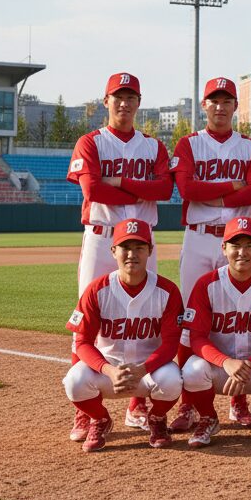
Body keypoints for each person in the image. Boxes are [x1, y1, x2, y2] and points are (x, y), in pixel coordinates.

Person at [66, 72, 172, 440]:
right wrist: (136, 193)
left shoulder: (154, 146)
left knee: (150, 315)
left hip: (143, 242)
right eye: (117, 96)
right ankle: (85, 413)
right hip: (100, 237)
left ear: (139, 103)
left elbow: (163, 188)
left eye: (131, 97)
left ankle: (137, 404)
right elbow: (93, 189)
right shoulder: (90, 141)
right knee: (87, 321)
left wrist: (119, 183)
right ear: (106, 101)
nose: (124, 103)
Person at [169, 76, 251, 434]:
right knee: (191, 319)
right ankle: (187, 403)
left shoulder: (249, 146)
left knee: (238, 317)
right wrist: (231, 188)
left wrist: (211, 196)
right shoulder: (190, 143)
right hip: (199, 238)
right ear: (204, 105)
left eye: (227, 101)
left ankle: (238, 397)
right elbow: (187, 188)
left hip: (237, 242)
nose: (221, 107)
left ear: (235, 107)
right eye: (214, 100)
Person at [62, 219, 183, 452]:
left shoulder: (167, 291)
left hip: (149, 370)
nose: (132, 254)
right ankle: (100, 419)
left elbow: (170, 345)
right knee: (74, 381)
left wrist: (143, 369)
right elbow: (82, 342)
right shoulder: (97, 289)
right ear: (113, 251)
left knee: (172, 380)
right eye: (125, 247)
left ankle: (157, 418)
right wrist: (109, 370)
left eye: (139, 247)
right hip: (109, 370)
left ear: (150, 250)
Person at [180, 217, 251, 447]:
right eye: (235, 245)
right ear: (224, 248)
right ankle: (208, 417)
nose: (242, 252)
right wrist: (226, 363)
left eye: (249, 245)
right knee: (192, 371)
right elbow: (197, 338)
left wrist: (248, 365)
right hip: (219, 368)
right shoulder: (206, 284)